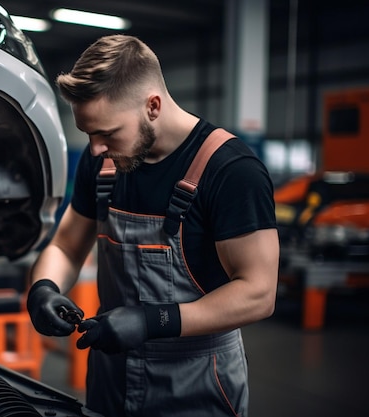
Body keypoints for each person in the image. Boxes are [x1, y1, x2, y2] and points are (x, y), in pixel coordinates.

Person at [26, 34, 279, 417]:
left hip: (196, 383)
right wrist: (44, 288)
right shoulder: (102, 162)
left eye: (107, 133)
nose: (94, 149)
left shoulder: (232, 171)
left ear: (153, 106)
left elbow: (258, 292)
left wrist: (153, 320)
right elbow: (66, 246)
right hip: (111, 377)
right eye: (88, 134)